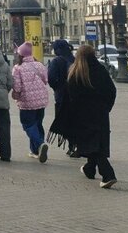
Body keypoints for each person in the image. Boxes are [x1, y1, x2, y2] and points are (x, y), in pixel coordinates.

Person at [49, 43, 117, 188]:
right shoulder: (101, 70)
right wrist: (107, 107)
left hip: (82, 115)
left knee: (92, 145)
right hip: (101, 113)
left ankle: (108, 174)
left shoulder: (75, 72)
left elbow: (70, 97)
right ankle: (89, 169)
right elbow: (112, 90)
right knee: (96, 142)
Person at [11, 42, 49, 161]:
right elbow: (45, 80)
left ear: (20, 55)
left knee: (28, 125)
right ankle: (35, 151)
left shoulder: (18, 68)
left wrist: (15, 95)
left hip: (27, 102)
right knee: (37, 124)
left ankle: (40, 144)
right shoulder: (39, 65)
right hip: (41, 100)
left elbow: (17, 87)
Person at [47, 39, 78, 157]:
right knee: (76, 120)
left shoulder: (56, 61)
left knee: (64, 120)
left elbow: (51, 78)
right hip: (76, 95)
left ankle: (71, 145)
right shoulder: (75, 60)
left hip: (61, 96)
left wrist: (56, 87)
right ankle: (77, 144)